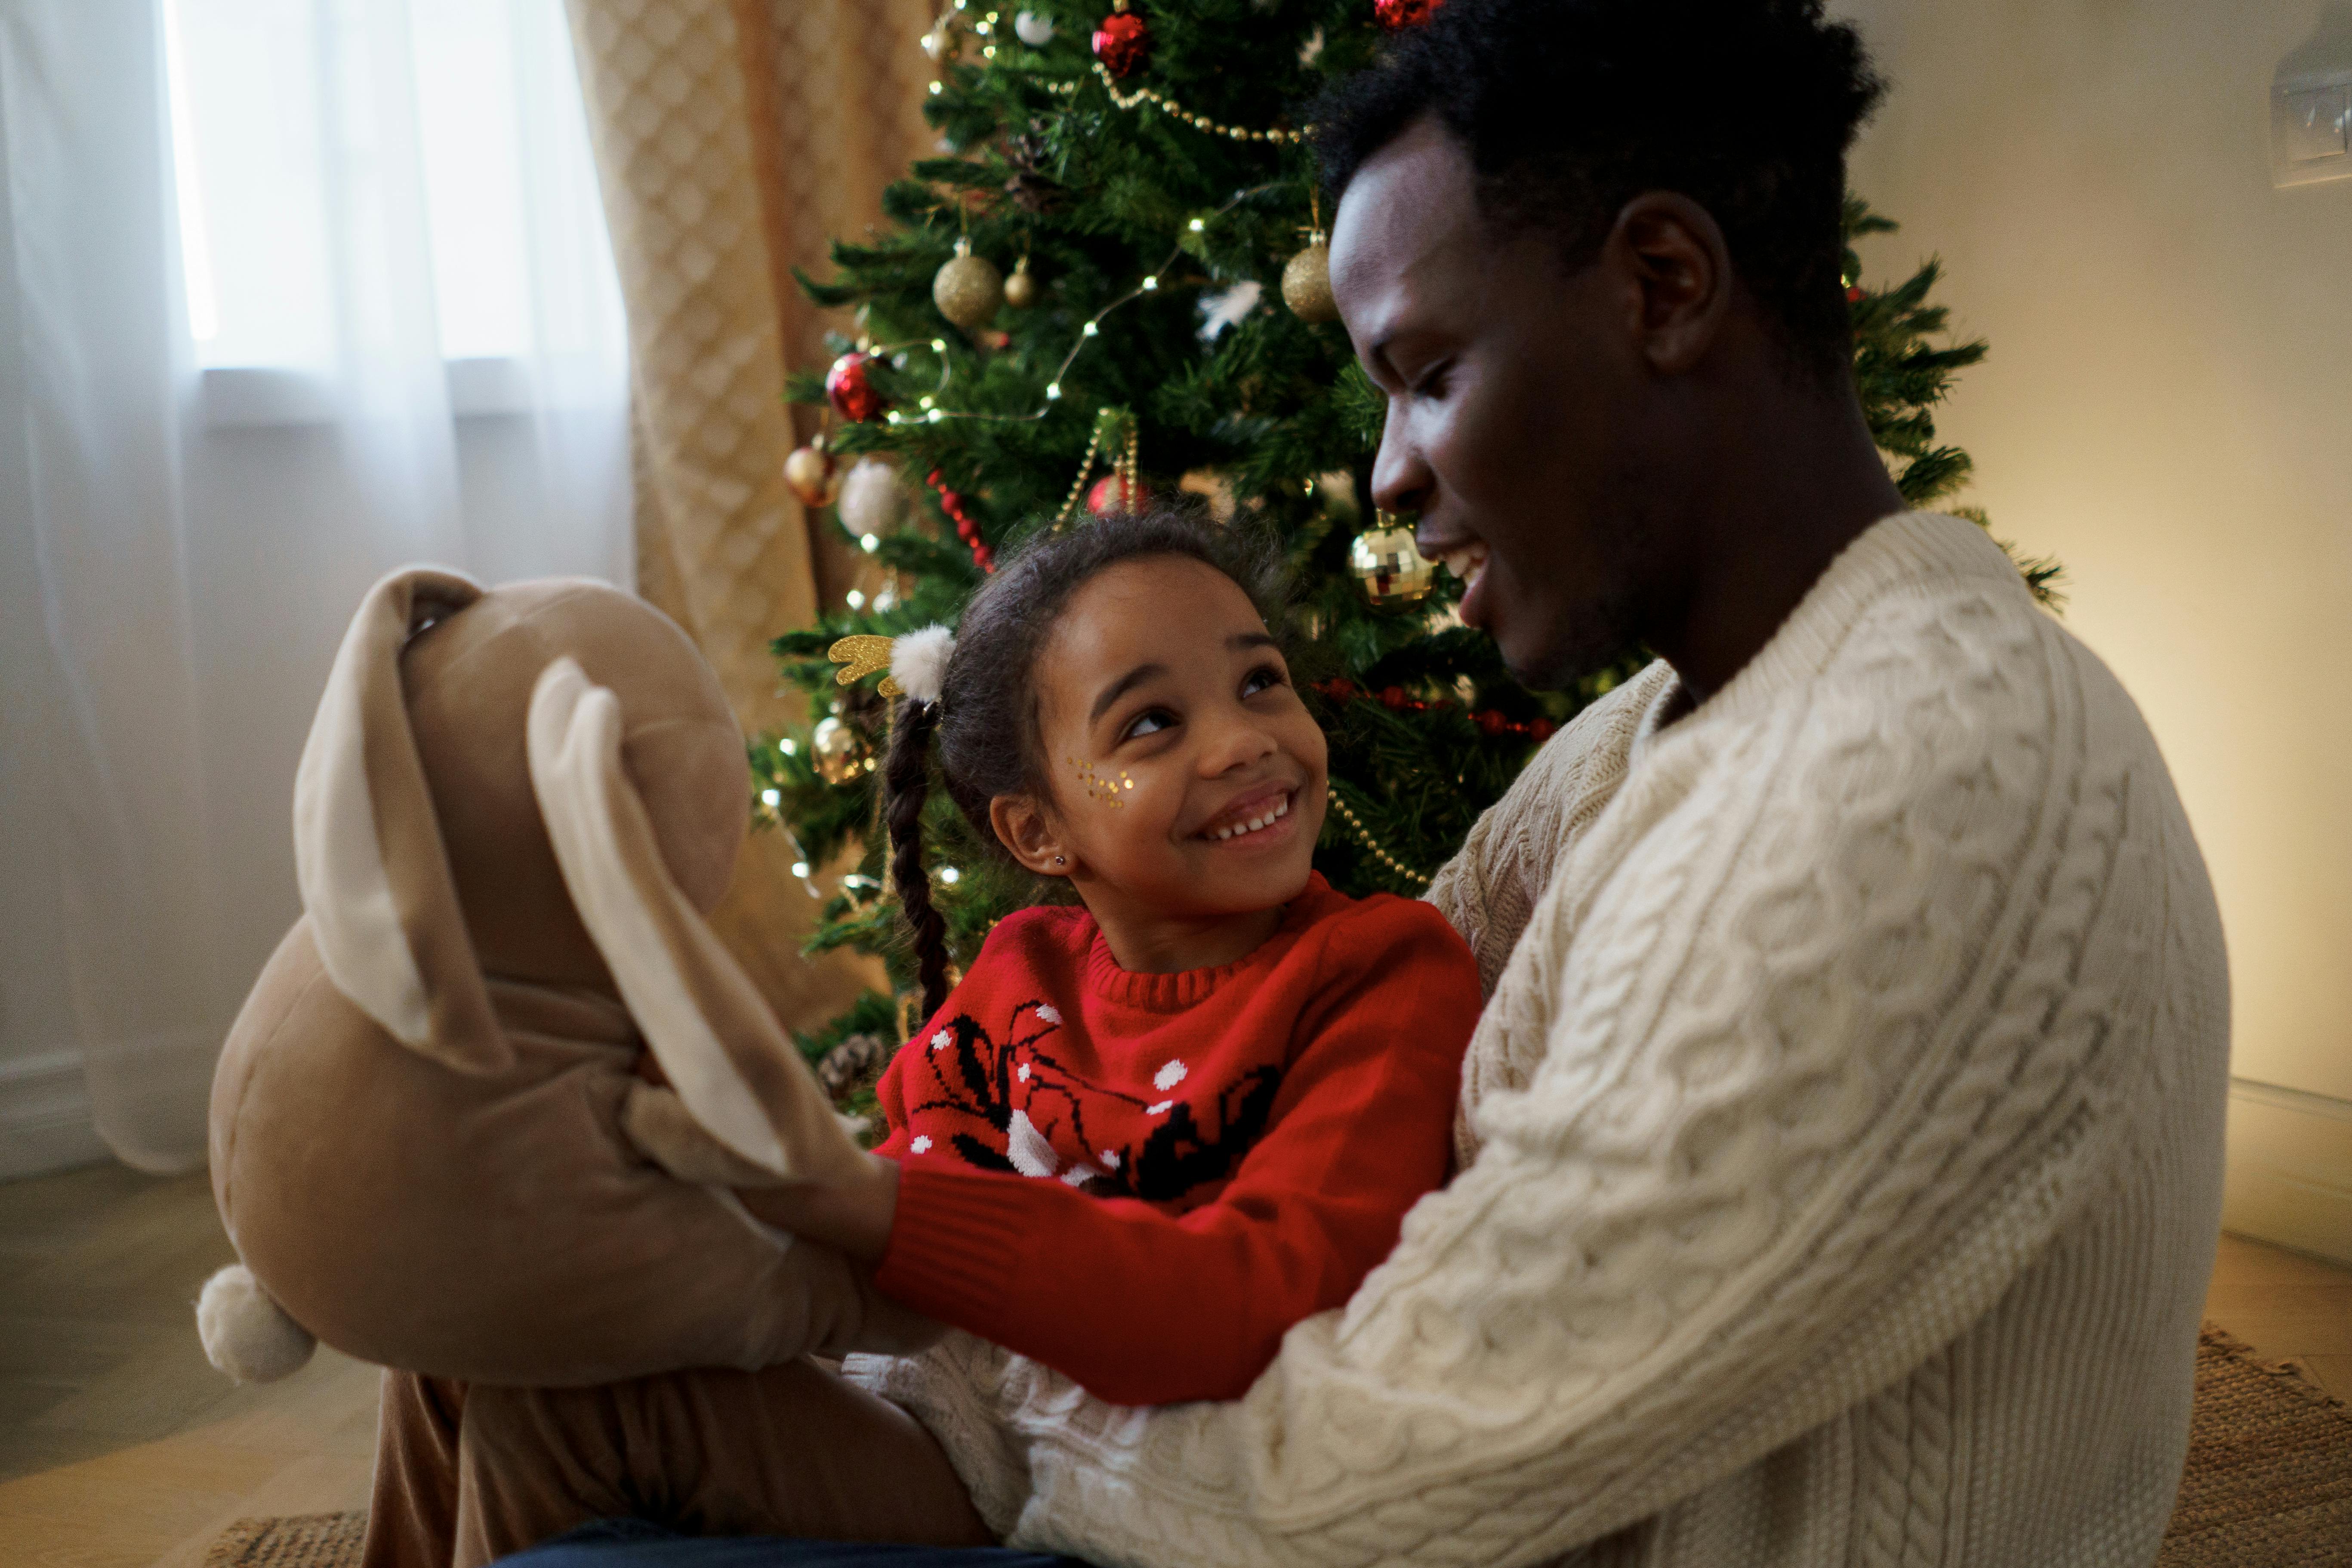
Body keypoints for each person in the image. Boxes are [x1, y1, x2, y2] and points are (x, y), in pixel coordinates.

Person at [488, 0, 2234, 1563]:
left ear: (1663, 287)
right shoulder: (1667, 733)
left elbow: (1370, 1490)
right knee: (529, 1400)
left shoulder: (1898, 793)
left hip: (1347, 1522)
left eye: (1424, 376)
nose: (1386, 477)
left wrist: (981, 1410)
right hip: (1307, 1479)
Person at [364, 511, 1482, 1567]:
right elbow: (914, 1172)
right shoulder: (1019, 973)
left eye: (1260, 682)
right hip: (924, 1396)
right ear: (1037, 830)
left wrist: (859, 1207)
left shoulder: (1378, 969)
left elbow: (1258, 1295)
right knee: (470, 1328)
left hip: (1052, 1483)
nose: (1246, 741)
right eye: (1152, 722)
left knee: (553, 1422)